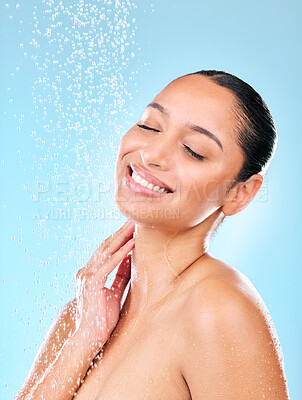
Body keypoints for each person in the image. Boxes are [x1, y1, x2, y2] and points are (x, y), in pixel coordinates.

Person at [16, 70, 290, 399]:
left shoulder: (217, 308)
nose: (151, 154)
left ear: (240, 193)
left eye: (194, 150)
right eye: (149, 125)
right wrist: (84, 339)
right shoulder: (81, 317)